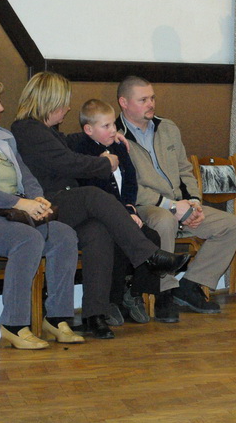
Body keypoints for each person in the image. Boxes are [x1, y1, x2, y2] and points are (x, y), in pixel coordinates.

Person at [11, 72, 188, 339]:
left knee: (98, 232)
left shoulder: (43, 132)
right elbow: (68, 162)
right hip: (46, 203)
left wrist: (109, 136)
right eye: (63, 103)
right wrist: (105, 163)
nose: (67, 108)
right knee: (93, 195)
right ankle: (148, 255)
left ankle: (94, 315)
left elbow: (70, 143)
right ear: (50, 102)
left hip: (61, 202)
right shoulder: (27, 129)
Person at [116, 76, 236, 323]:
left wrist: (194, 202)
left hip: (180, 203)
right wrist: (172, 206)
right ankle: (164, 291)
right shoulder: (116, 136)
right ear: (124, 102)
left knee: (231, 225)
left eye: (152, 98)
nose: (151, 104)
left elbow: (185, 170)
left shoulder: (167, 127)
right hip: (144, 207)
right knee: (165, 220)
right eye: (143, 100)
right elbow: (128, 188)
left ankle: (190, 285)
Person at [0, 80, 84, 349]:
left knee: (63, 234)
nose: (1, 107)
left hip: (14, 213)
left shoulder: (4, 137)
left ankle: (56, 318)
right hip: (4, 213)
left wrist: (36, 198)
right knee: (28, 239)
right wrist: (20, 203)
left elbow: (26, 175)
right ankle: (12, 324)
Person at [68, 99, 160, 325]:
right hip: (101, 216)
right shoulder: (82, 152)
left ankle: (133, 292)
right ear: (89, 130)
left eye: (114, 125)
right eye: (106, 126)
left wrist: (129, 208)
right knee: (115, 243)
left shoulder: (119, 146)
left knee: (152, 237)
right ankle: (112, 300)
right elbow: (92, 188)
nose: (113, 130)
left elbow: (130, 182)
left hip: (124, 211)